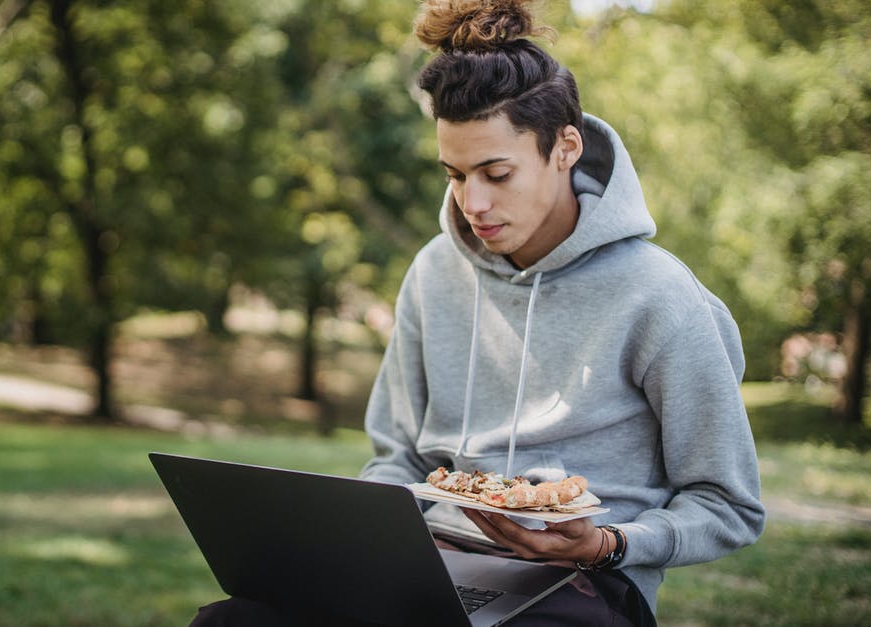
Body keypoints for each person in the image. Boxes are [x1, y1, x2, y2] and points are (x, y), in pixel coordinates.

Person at [191, 0, 764, 624]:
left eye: (496, 172)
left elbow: (726, 504)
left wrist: (607, 544)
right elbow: (400, 458)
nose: (474, 202)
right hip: (430, 560)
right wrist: (359, 540)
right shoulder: (435, 272)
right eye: (456, 175)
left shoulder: (660, 296)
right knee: (233, 620)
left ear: (565, 147)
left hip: (582, 583)